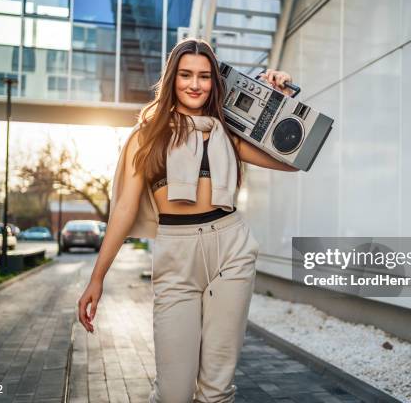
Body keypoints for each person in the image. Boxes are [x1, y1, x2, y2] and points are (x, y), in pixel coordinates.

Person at [77, 38, 298, 403]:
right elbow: (124, 210)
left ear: (215, 82)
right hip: (176, 255)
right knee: (174, 393)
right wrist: (96, 278)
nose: (195, 84)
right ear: (171, 79)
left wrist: (280, 99)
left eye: (204, 76)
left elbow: (292, 161)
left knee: (216, 391)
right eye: (185, 75)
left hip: (231, 249)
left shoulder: (228, 131)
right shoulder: (146, 136)